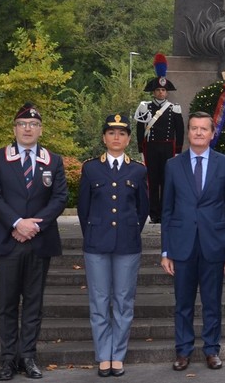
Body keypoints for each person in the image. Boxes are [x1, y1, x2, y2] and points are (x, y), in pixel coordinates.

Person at [0, 102, 68, 381]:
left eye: (33, 125)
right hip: (7, 240)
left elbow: (59, 198)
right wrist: (18, 223)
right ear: (14, 129)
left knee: (33, 302)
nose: (27, 129)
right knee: (7, 302)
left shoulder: (52, 160)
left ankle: (28, 356)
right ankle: (8, 359)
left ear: (40, 129)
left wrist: (34, 225)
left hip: (38, 241)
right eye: (22, 124)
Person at [160, 111, 225, 372]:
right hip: (182, 244)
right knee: (182, 303)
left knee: (212, 301)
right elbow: (167, 210)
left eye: (203, 129)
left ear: (212, 133)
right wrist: (165, 249)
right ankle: (182, 351)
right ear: (188, 132)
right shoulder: (173, 165)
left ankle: (211, 349)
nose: (198, 133)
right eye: (194, 128)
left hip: (214, 244)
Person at [77, 114, 149, 378]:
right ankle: (102, 354)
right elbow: (83, 207)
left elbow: (143, 208)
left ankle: (117, 355)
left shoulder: (139, 170)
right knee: (99, 300)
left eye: (121, 133)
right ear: (104, 137)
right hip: (96, 244)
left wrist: (130, 231)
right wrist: (94, 234)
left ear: (128, 138)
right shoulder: (91, 168)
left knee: (123, 301)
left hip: (127, 245)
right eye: (111, 133)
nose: (116, 137)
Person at [134, 53, 184, 224]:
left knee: (167, 180)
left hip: (168, 147)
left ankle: (165, 211)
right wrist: (141, 149)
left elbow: (180, 130)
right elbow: (140, 129)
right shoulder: (144, 107)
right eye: (158, 90)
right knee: (152, 181)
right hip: (151, 147)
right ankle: (153, 213)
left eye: (163, 90)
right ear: (153, 92)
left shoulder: (174, 108)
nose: (161, 92)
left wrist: (177, 151)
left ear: (167, 92)